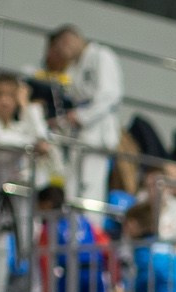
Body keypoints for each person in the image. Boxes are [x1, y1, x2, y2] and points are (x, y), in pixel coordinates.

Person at [40, 25, 123, 205]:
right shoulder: (74, 66)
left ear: (68, 40)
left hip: (97, 134)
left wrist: (81, 116)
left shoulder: (101, 56)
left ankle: (90, 230)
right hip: (80, 134)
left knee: (90, 187)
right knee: (73, 188)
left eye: (60, 49)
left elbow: (110, 95)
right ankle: (74, 229)